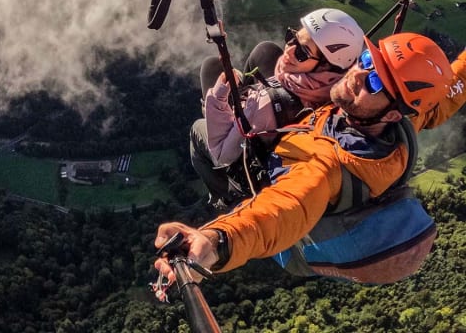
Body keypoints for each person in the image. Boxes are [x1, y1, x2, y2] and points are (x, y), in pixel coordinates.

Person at [155, 33, 466, 281]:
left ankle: (226, 197)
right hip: (301, 136)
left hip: (267, 193)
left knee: (199, 131)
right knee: (265, 53)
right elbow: (452, 88)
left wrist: (216, 241)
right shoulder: (401, 121)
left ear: (392, 111)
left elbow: (283, 209)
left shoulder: (325, 167)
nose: (359, 74)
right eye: (369, 60)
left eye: (376, 82)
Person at [193, 8, 365, 207]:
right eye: (292, 37)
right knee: (264, 51)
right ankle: (243, 103)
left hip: (254, 154)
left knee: (199, 123)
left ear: (326, 66)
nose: (289, 49)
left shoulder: (262, 108)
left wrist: (220, 96)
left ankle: (225, 198)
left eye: (302, 52)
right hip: (285, 116)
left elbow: (222, 154)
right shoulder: (349, 90)